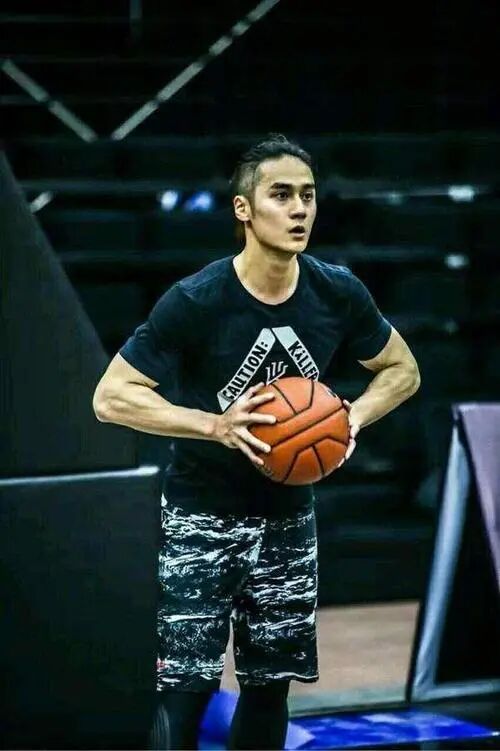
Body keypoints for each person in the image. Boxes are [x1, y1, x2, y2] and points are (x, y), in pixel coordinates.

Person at [92, 133, 420, 750]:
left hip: (288, 515)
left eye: (308, 196)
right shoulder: (197, 300)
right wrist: (213, 424)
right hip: (201, 513)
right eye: (281, 195)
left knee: (271, 687)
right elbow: (111, 397)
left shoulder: (336, 291)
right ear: (244, 209)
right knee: (185, 687)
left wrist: (350, 418)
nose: (299, 210)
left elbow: (403, 370)